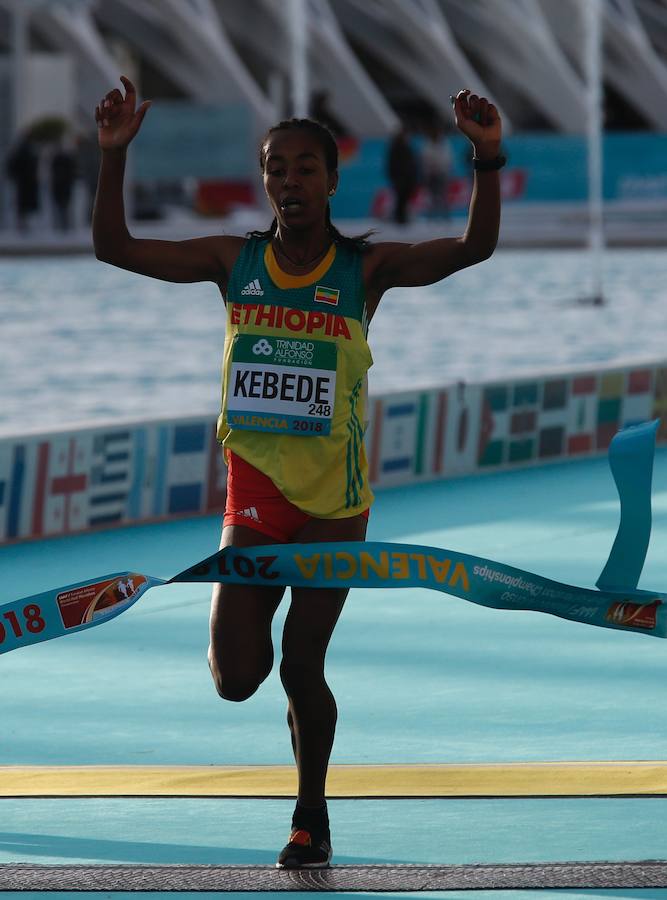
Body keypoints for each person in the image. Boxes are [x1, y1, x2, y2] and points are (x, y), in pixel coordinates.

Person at [93, 76, 502, 869]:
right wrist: (114, 156)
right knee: (236, 678)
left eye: (306, 167)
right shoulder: (232, 262)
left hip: (334, 509)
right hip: (253, 501)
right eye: (277, 168)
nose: (290, 182)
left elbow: (472, 249)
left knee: (301, 662)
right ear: (266, 180)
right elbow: (115, 249)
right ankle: (304, 795)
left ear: (332, 179)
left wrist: (486, 156)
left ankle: (309, 814)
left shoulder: (366, 269)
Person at [386, 124, 419, 225]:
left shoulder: (407, 147)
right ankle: (399, 218)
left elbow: (412, 164)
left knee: (404, 199)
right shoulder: (395, 147)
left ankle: (401, 217)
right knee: (400, 199)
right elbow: (392, 164)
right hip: (400, 178)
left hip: (408, 179)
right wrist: (394, 176)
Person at [421, 121, 452, 219]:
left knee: (443, 195)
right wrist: (429, 168)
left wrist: (443, 168)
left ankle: (445, 216)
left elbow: (448, 159)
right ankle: (431, 216)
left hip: (442, 173)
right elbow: (425, 159)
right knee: (432, 196)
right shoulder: (428, 144)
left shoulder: (444, 144)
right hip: (431, 174)